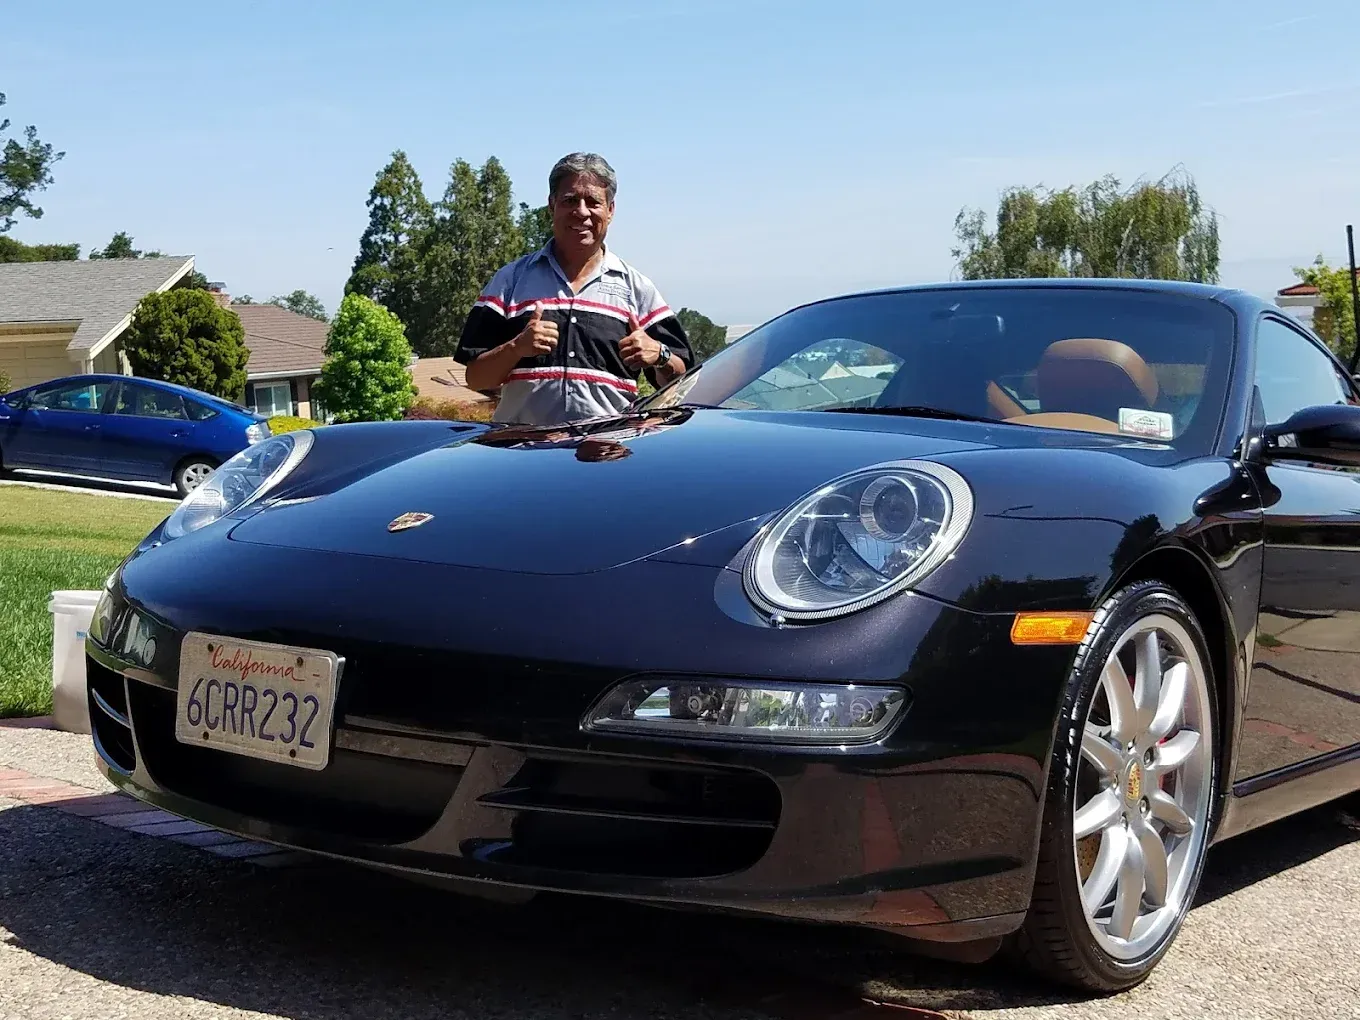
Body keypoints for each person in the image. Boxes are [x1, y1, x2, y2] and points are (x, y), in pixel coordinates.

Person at [455, 152, 693, 425]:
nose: (581, 212)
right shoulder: (510, 281)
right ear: (551, 205)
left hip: (605, 455)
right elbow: (475, 379)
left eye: (593, 202)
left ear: (610, 210)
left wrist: (659, 355)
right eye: (569, 200)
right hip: (523, 455)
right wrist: (516, 347)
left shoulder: (638, 289)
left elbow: (681, 381)